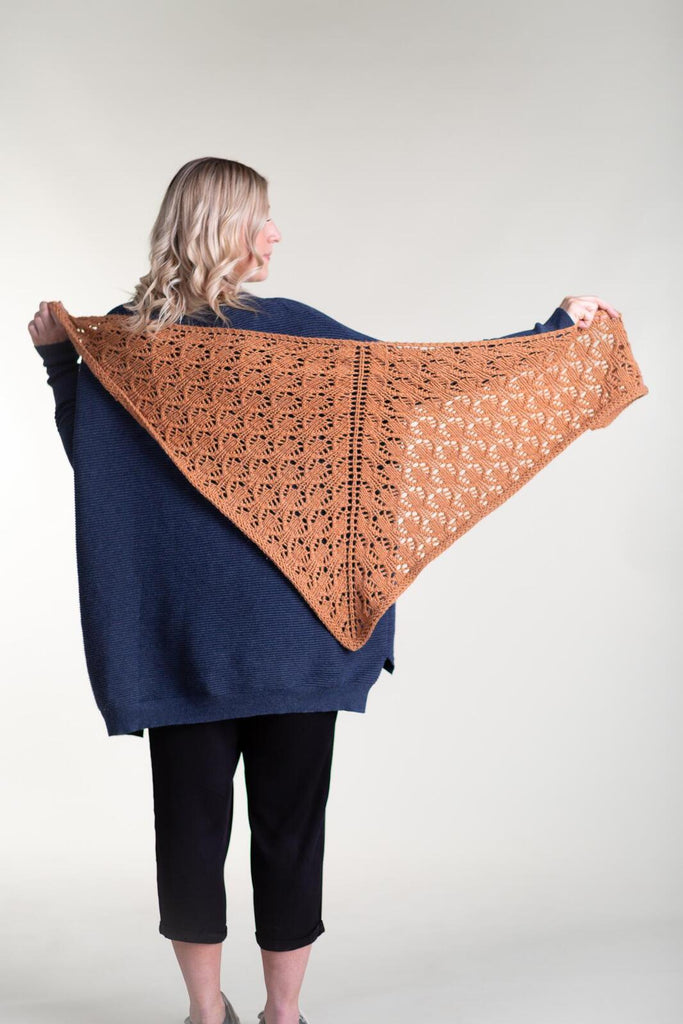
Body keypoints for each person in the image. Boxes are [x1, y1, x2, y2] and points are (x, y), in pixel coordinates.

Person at [28, 157, 621, 1024]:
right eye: (262, 218)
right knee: (284, 833)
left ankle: (214, 1016)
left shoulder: (137, 341)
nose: (275, 234)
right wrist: (554, 330)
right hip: (272, 635)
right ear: (222, 226)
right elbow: (427, 383)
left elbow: (98, 464)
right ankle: (277, 1017)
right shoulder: (204, 339)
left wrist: (59, 366)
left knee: (194, 833)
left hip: (218, 639)